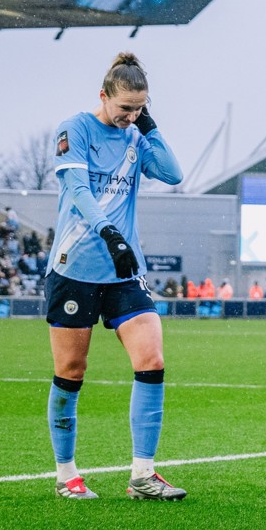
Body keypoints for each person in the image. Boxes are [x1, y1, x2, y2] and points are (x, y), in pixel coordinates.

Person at [43, 52, 186, 501]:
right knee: (71, 370)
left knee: (152, 360)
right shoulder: (76, 129)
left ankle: (143, 475)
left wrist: (151, 128)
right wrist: (109, 234)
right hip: (76, 268)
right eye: (125, 108)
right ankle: (67, 474)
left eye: (139, 108)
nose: (130, 116)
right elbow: (78, 190)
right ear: (103, 96)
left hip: (124, 271)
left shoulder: (135, 135)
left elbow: (173, 173)